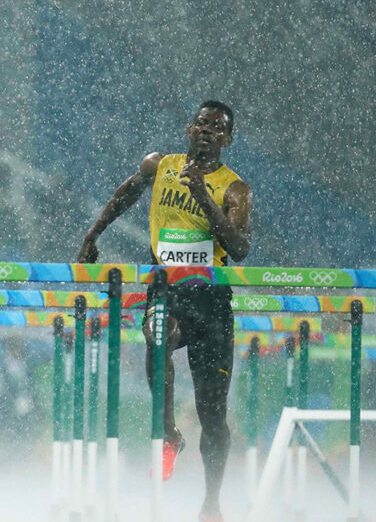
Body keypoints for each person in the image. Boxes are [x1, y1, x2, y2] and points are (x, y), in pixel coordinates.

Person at [77, 100, 252, 522]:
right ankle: (169, 433)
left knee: (213, 416)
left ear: (227, 140)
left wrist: (201, 197)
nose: (207, 131)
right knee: (158, 332)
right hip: (167, 288)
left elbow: (241, 248)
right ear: (190, 129)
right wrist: (93, 235)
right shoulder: (160, 165)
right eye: (201, 124)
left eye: (217, 128)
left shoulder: (235, 189)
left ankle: (211, 502)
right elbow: (124, 195)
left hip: (211, 301)